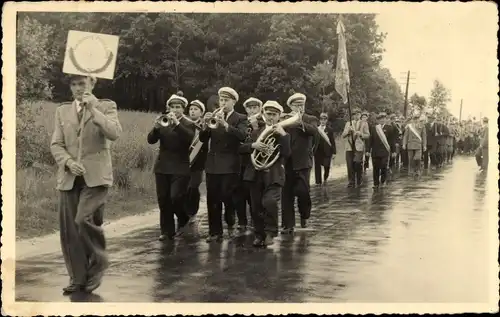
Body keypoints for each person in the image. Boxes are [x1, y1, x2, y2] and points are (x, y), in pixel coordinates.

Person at [50, 74, 122, 294]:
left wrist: (94, 110)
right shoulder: (62, 110)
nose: (78, 88)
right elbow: (56, 144)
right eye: (73, 84)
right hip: (70, 177)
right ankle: (77, 278)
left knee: (83, 219)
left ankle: (99, 261)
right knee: (69, 230)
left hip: (96, 177)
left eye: (82, 83)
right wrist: (69, 162)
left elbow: (115, 133)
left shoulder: (106, 106)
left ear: (92, 84)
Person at [199, 87, 247, 242]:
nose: (223, 103)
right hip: (213, 164)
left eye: (226, 100)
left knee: (227, 196)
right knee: (212, 199)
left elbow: (242, 136)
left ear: (233, 101)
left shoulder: (241, 118)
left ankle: (231, 220)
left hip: (230, 164)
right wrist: (206, 124)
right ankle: (215, 232)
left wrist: (225, 125)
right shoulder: (213, 116)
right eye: (221, 100)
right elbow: (202, 139)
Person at [240, 101, 291, 247]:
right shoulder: (255, 132)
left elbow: (287, 153)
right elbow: (241, 148)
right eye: (268, 114)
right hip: (255, 174)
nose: (271, 117)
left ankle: (271, 232)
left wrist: (284, 136)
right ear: (264, 114)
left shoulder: (283, 133)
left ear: (279, 117)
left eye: (274, 115)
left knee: (269, 202)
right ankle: (259, 235)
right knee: (256, 207)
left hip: (274, 174)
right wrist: (253, 145)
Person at [147, 91, 195, 242]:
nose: (175, 109)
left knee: (175, 197)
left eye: (178, 107)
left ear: (183, 108)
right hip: (162, 166)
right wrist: (155, 128)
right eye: (172, 107)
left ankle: (183, 217)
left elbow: (188, 139)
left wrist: (178, 124)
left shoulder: (188, 123)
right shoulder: (163, 121)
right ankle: (167, 231)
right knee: (163, 199)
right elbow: (151, 140)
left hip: (180, 166)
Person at [281, 92, 318, 234]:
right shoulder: (284, 119)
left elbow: (314, 131)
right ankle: (288, 225)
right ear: (290, 106)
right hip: (287, 161)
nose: (299, 108)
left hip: (303, 162)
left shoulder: (310, 118)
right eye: (296, 105)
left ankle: (304, 215)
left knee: (303, 192)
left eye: (301, 105)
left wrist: (300, 122)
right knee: (287, 194)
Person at [236, 97, 265, 235]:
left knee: (253, 195)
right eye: (250, 108)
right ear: (246, 109)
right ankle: (242, 222)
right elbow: (237, 143)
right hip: (240, 162)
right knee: (239, 193)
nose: (252, 110)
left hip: (255, 164)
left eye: (255, 107)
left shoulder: (263, 122)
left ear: (260, 108)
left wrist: (255, 128)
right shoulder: (241, 122)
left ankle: (255, 221)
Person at [184, 99, 208, 223]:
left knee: (193, 187)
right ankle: (185, 212)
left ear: (201, 112)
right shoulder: (184, 124)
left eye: (196, 109)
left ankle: (192, 212)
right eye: (191, 109)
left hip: (198, 164)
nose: (192, 111)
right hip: (183, 162)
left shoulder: (205, 125)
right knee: (184, 188)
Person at [341, 108, 370, 188]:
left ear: (360, 115)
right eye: (354, 114)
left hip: (359, 147)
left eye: (358, 114)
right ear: (352, 115)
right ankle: (351, 182)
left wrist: (360, 134)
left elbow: (367, 135)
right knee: (349, 165)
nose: (356, 116)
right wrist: (348, 131)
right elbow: (343, 135)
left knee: (357, 163)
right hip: (349, 147)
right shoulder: (348, 123)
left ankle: (359, 179)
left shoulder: (364, 123)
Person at [367, 112, 396, 188]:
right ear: (378, 120)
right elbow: (370, 140)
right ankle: (376, 183)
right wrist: (367, 150)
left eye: (383, 118)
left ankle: (383, 181)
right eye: (380, 119)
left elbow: (392, 140)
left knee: (383, 166)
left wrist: (393, 151)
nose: (382, 120)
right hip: (375, 151)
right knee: (375, 168)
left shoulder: (389, 128)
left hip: (385, 151)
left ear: (385, 119)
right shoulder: (374, 128)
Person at [314, 112, 336, 185]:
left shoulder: (330, 130)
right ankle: (318, 183)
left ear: (326, 120)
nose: (323, 121)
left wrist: (334, 152)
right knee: (317, 168)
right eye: (321, 119)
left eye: (324, 119)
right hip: (318, 151)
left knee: (327, 166)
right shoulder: (316, 129)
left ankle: (325, 179)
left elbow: (332, 141)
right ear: (319, 120)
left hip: (327, 151)